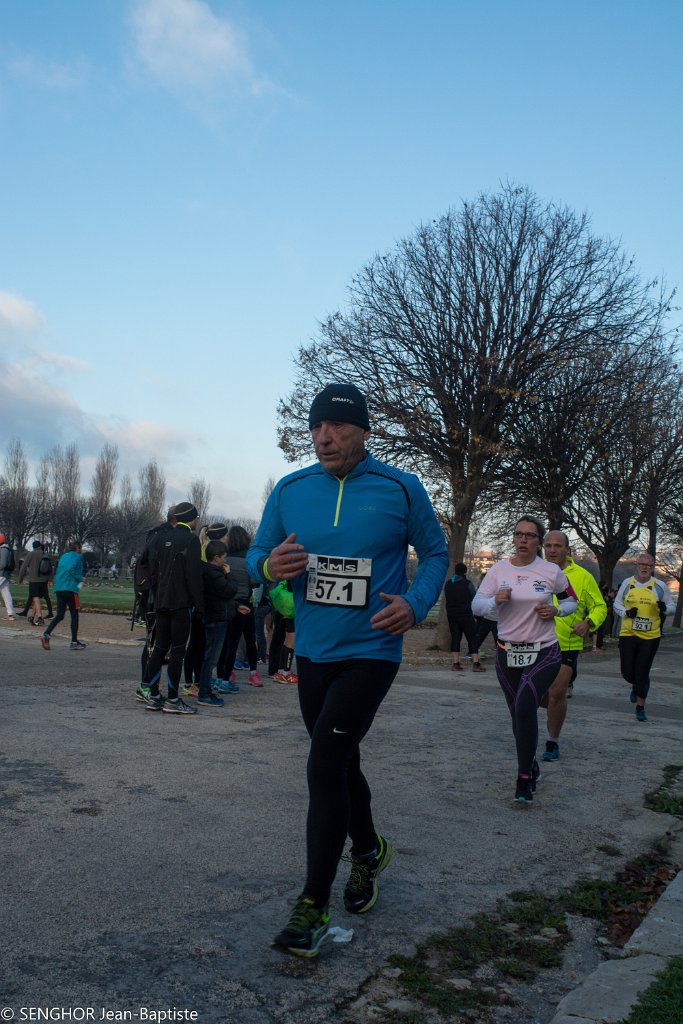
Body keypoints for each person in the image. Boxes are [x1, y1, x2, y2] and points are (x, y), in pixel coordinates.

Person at [247, 382, 448, 958]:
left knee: (324, 763)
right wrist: (269, 567)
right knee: (341, 760)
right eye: (315, 427)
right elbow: (257, 556)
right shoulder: (290, 489)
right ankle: (368, 851)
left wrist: (416, 603)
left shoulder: (401, 488)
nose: (323, 437)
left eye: (335, 426)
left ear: (363, 430)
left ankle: (312, 905)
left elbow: (436, 554)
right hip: (313, 651)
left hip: (372, 649)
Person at [472, 516, 577, 805]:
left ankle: (523, 778)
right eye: (518, 534)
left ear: (538, 542)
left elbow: (570, 601)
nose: (522, 540)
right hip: (507, 651)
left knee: (526, 706)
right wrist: (495, 601)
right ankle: (531, 764)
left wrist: (557, 611)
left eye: (529, 535)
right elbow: (477, 605)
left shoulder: (551, 571)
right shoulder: (498, 570)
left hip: (544, 650)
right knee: (517, 713)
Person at [541, 531, 607, 761]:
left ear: (567, 549)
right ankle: (552, 709)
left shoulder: (582, 576)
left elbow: (600, 606)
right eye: (548, 545)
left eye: (557, 546)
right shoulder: (534, 572)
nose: (552, 550)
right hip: (535, 642)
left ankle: (552, 741)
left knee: (557, 692)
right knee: (539, 695)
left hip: (566, 643)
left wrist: (588, 623)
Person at [142, 501, 204, 715]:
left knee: (159, 648)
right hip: (181, 602)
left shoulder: (162, 538)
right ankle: (173, 699)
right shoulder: (191, 539)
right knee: (178, 650)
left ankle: (153, 696)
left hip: (162, 600)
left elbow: (153, 569)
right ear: (192, 518)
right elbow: (193, 576)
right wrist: (200, 605)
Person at [614, 552, 675, 722]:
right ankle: (635, 685)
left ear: (652, 568)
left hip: (650, 636)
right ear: (637, 566)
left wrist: (665, 609)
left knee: (642, 671)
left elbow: (672, 607)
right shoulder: (627, 583)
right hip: (628, 634)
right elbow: (617, 604)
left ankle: (640, 707)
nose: (644, 568)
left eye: (648, 566)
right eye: (642, 564)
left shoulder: (659, 586)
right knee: (627, 672)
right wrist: (626, 612)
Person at [217, 525, 262, 688]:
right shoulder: (248, 559)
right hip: (245, 602)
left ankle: (226, 673)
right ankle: (253, 673)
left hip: (228, 603)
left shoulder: (225, 558)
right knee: (250, 639)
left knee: (228, 642)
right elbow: (254, 581)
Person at [196, 540, 238, 708]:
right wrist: (230, 574)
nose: (225, 560)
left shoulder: (209, 572)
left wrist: (236, 606)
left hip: (216, 616)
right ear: (216, 557)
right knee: (211, 659)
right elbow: (229, 590)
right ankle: (204, 693)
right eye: (223, 557)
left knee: (210, 657)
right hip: (217, 619)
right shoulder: (214, 574)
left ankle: (205, 690)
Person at [40, 541, 86, 650]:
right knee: (74, 615)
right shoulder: (77, 557)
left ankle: (46, 634)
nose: (81, 550)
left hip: (59, 588)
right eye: (80, 548)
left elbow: (58, 569)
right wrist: (81, 578)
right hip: (70, 589)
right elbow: (71, 568)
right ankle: (74, 642)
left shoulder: (64, 556)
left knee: (60, 615)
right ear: (78, 548)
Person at [444, 562, 485, 673]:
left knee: (455, 638)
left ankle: (455, 664)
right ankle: (476, 664)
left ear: (455, 571)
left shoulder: (448, 584)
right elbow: (474, 597)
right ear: (465, 572)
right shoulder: (467, 584)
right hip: (465, 615)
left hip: (451, 615)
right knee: (472, 638)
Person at [17, 540, 53, 623]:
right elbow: (50, 568)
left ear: (33, 546)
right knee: (35, 598)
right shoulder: (44, 554)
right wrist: (50, 580)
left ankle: (40, 617)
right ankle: (32, 617)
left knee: (35, 597)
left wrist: (20, 578)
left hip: (34, 580)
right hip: (44, 581)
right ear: (40, 546)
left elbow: (23, 567)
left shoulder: (31, 554)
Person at [0, 533, 15, 620]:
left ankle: (10, 614)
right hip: (5, 575)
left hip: (1, 574)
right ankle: (10, 614)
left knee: (6, 594)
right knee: (6, 594)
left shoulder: (3, 549)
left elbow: (3, 564)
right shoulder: (5, 548)